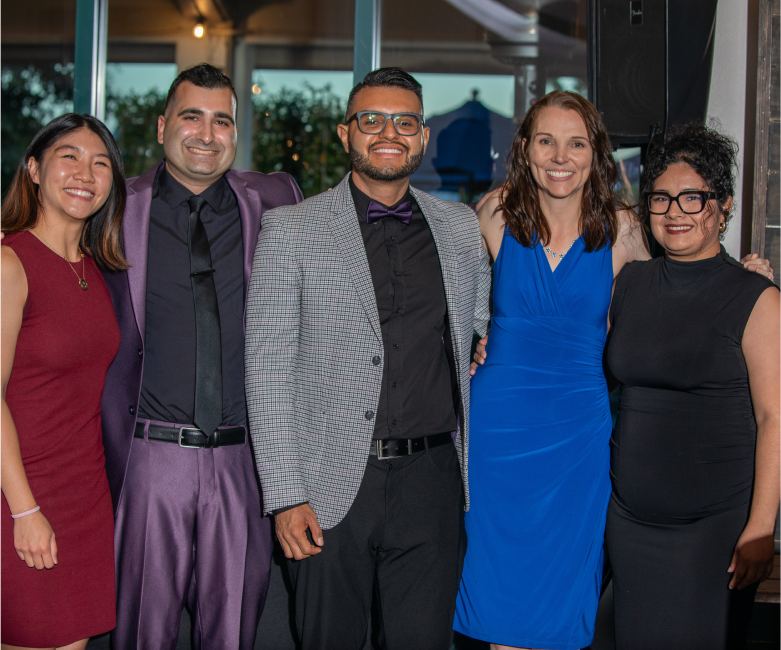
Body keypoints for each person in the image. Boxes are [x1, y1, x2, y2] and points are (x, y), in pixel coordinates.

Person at [455, 92, 773, 650]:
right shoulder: (493, 213)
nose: (561, 156)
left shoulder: (625, 229)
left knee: (558, 596)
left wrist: (743, 274)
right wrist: (472, 344)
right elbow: (454, 305)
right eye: (546, 141)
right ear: (525, 149)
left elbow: (681, 290)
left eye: (576, 142)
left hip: (580, 438)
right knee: (497, 588)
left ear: (595, 152)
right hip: (496, 435)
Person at [245, 67, 491, 650]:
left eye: (405, 121)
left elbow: (481, 326)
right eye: (372, 120)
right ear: (345, 134)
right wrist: (285, 495)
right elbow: (267, 371)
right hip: (327, 489)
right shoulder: (291, 230)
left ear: (423, 137)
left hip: (432, 481)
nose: (389, 132)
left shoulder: (460, 228)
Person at [100, 64, 302, 649]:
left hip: (244, 461)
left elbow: (338, 264)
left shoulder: (275, 200)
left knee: (235, 629)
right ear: (163, 125)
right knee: (142, 631)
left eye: (222, 121)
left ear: (236, 134)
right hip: (148, 458)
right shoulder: (116, 207)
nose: (206, 134)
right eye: (192, 117)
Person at [605, 124, 781, 650]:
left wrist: (760, 528)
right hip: (629, 524)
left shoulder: (756, 297)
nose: (675, 211)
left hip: (716, 531)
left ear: (722, 208)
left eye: (693, 198)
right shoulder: (629, 285)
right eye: (661, 197)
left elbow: (775, 417)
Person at [0, 114, 127, 649]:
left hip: (86, 499)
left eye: (100, 163)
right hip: (21, 495)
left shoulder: (97, 270)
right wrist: (24, 509)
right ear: (33, 169)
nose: (85, 172)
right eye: (68, 156)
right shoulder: (10, 263)